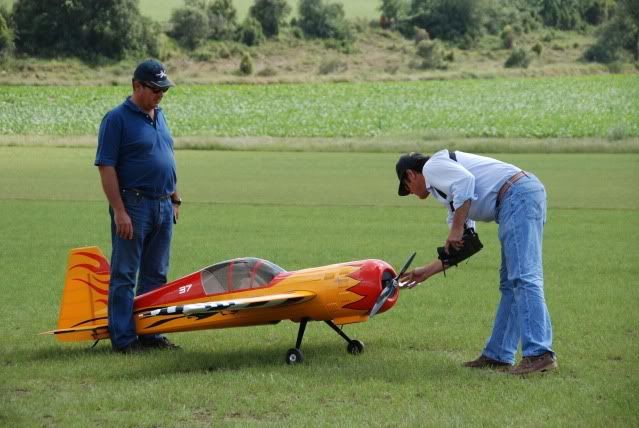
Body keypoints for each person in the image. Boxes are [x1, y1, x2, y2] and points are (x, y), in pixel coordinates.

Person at [396, 150, 556, 375]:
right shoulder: (451, 194)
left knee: (523, 277)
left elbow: (466, 182)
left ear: (411, 175)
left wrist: (456, 228)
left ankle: (539, 353)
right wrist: (427, 271)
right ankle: (498, 355)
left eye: (406, 188)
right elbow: (465, 245)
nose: (411, 193)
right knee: (511, 283)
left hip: (517, 195)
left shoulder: (433, 167)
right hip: (517, 197)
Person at [95, 59, 181, 353]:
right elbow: (106, 167)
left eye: (163, 89)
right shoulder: (116, 119)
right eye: (155, 89)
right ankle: (124, 339)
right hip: (133, 204)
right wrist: (119, 211)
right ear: (136, 86)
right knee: (125, 274)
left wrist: (174, 197)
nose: (160, 94)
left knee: (156, 274)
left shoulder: (161, 115)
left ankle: (150, 334)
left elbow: (166, 156)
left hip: (163, 205)